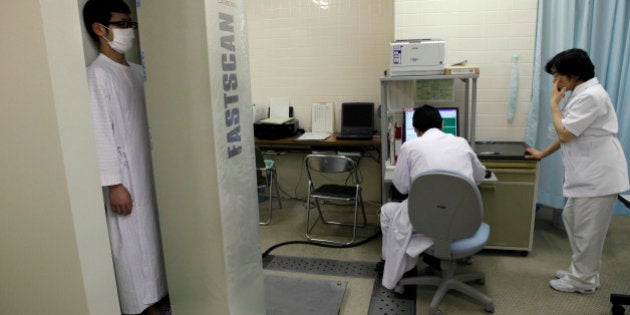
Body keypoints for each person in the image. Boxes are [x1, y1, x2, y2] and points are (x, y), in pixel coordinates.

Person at [83, 1, 169, 314]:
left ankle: (160, 293)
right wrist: (114, 184)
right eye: (121, 24)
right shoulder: (97, 76)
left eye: (130, 23)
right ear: (99, 29)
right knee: (132, 241)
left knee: (155, 235)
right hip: (126, 175)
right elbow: (100, 134)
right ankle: (140, 304)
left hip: (151, 169)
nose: (128, 30)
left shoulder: (137, 71)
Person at [525, 48, 629, 293]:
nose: (555, 81)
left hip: (598, 177)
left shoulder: (591, 96)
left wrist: (553, 105)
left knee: (588, 232)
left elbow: (564, 132)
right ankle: (582, 272)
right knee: (572, 220)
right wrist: (542, 153)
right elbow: (568, 134)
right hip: (589, 174)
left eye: (558, 75)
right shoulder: (583, 93)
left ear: (574, 75)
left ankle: (583, 281)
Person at [379, 105, 486, 289]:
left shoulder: (410, 146)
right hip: (463, 222)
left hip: (425, 222)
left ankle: (396, 265)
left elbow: (401, 187)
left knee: (387, 211)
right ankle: (431, 258)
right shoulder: (461, 143)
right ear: (442, 123)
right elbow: (479, 177)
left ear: (415, 129)